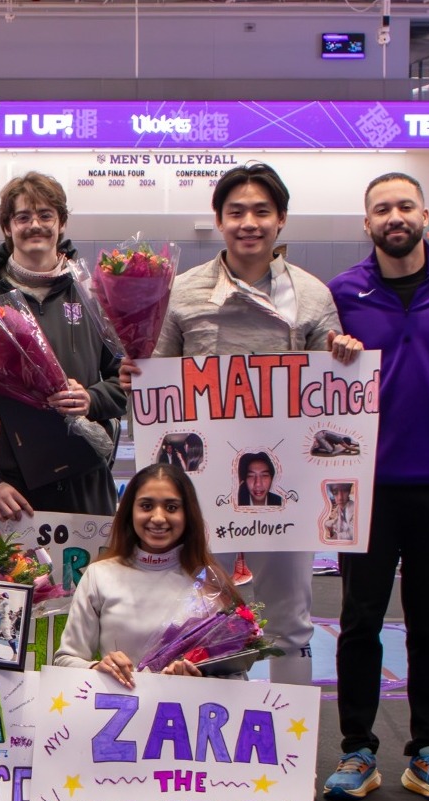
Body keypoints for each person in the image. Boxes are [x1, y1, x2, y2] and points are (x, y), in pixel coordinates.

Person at [150, 162, 362, 688]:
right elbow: (156, 380)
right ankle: (219, 752)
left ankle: (290, 759)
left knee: (290, 624)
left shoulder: (312, 295)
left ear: (281, 220)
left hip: (284, 488)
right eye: (236, 212)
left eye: (262, 212)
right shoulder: (182, 292)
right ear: (219, 221)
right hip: (202, 487)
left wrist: (344, 356)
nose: (249, 222)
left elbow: (332, 401)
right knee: (201, 620)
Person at [324, 171, 429, 801]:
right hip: (358, 488)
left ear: (426, 214)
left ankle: (427, 751)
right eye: (380, 209)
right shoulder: (344, 292)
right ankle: (356, 751)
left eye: (404, 206)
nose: (394, 217)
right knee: (359, 622)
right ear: (365, 223)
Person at [0, 172, 124, 517]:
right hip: (8, 493)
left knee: (84, 573)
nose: (35, 225)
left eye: (45, 215)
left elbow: (128, 383)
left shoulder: (94, 294)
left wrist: (91, 398)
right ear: (8, 228)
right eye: (23, 217)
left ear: (62, 223)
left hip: (84, 481)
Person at [53, 463, 237, 686]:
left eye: (171, 507)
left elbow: (236, 676)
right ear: (130, 511)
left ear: (188, 514)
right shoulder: (99, 575)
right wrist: (97, 667)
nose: (158, 518)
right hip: (113, 715)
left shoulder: (211, 582)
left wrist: (199, 677)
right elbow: (64, 661)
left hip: (186, 717)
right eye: (147, 506)